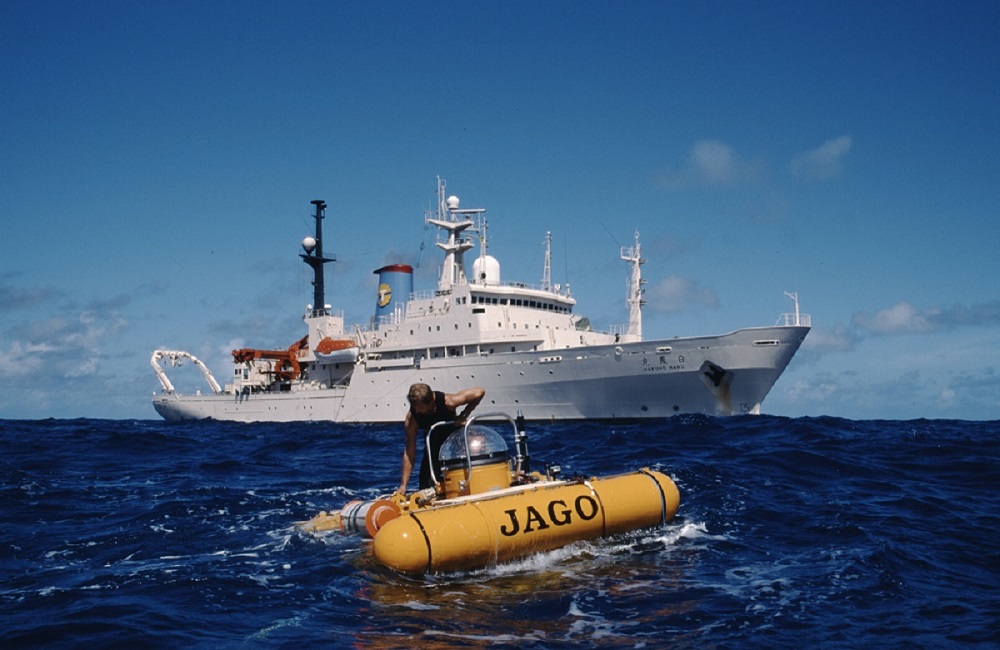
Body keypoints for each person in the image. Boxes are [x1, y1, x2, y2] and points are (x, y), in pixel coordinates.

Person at [395, 383, 485, 496]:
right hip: (433, 445)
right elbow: (409, 452)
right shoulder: (412, 419)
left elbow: (479, 392)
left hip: (454, 442)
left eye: (421, 408)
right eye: (415, 408)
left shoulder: (449, 401)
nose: (417, 412)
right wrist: (403, 485)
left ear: (431, 402)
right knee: (425, 482)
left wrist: (463, 415)